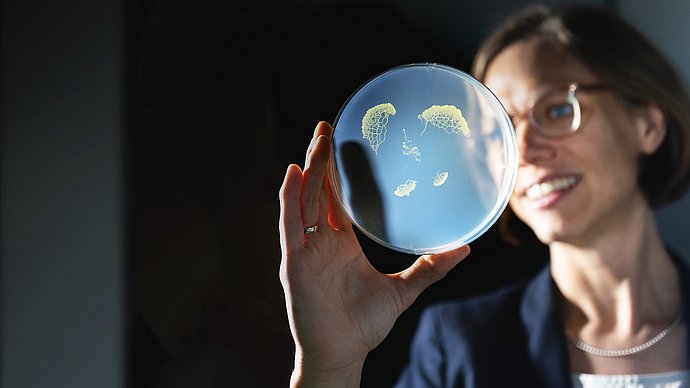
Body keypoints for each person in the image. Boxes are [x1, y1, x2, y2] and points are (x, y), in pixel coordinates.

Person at [278, 4, 690, 387]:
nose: (524, 151)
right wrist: (331, 366)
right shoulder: (457, 349)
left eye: (558, 110)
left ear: (648, 125)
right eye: (500, 132)